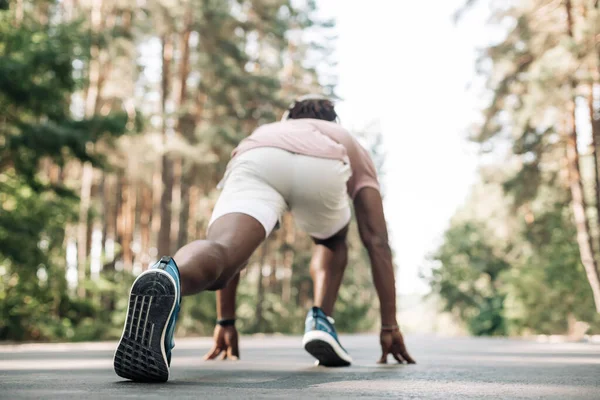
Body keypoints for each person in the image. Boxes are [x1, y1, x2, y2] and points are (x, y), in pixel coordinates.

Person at [113, 95, 415, 383]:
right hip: (323, 163)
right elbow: (376, 239)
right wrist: (389, 325)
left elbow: (236, 257)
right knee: (332, 240)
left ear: (289, 117)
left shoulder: (270, 130)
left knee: (224, 248)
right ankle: (321, 319)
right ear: (332, 118)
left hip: (259, 157)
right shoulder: (344, 137)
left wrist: (226, 321)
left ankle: (169, 273)